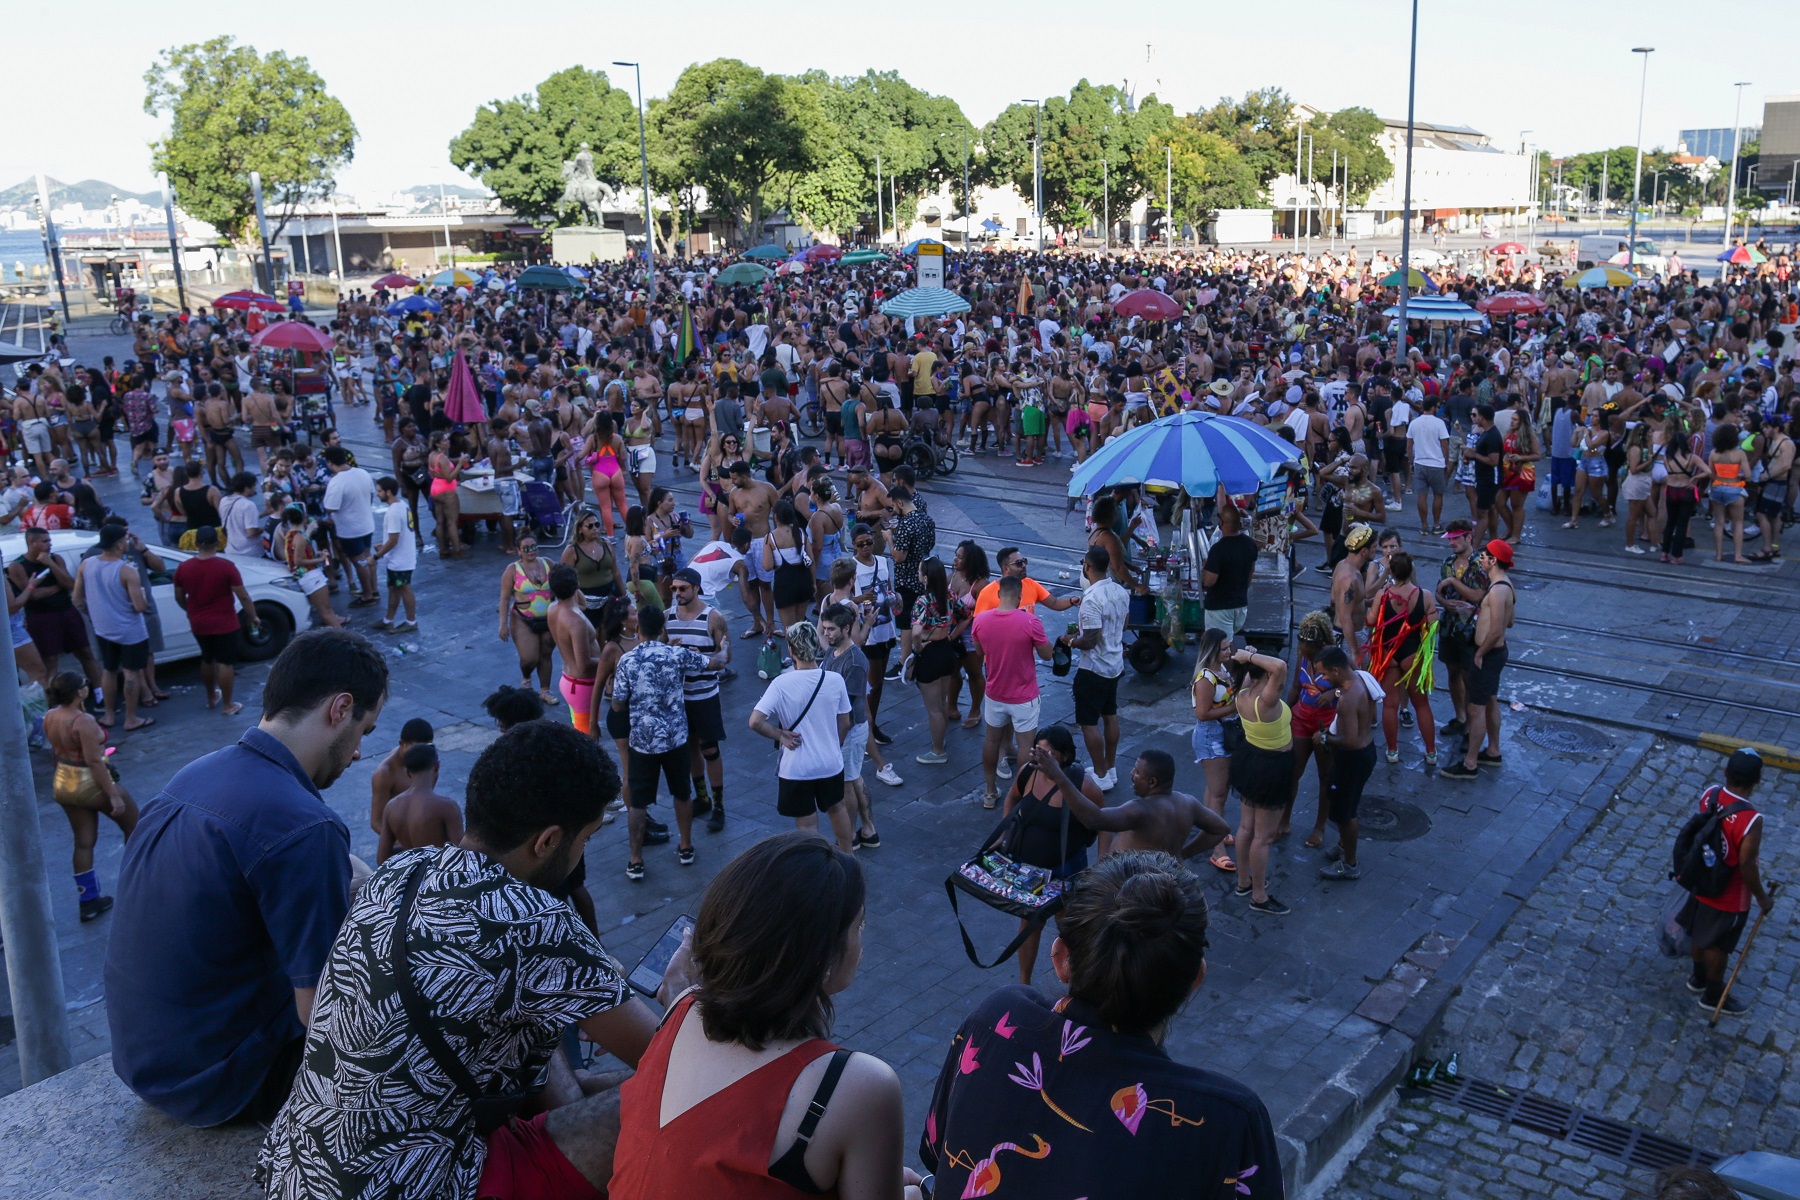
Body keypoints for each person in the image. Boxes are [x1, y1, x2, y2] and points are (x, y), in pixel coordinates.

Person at [259, 721, 664, 1200]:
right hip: (411, 1186)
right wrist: (679, 990)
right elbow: (666, 1059)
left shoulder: (400, 871)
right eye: (586, 840)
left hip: (298, 1170)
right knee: (667, 1098)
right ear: (548, 841)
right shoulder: (536, 921)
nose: (582, 853)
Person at [107, 630, 388, 1126]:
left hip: (147, 1063)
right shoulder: (305, 826)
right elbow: (321, 1015)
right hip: (222, 1082)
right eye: (364, 731)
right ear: (340, 708)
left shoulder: (195, 774)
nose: (358, 753)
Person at [922, 852, 1281, 1199]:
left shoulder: (997, 1022)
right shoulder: (1229, 1120)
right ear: (1195, 981)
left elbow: (936, 1152)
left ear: (1061, 958)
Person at [609, 832, 918, 1200]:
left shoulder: (680, 1008)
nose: (863, 939)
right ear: (820, 958)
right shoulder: (859, 1086)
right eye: (859, 925)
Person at [613, 604, 726, 881]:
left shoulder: (627, 660)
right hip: (675, 739)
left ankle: (636, 859)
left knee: (638, 803)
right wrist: (723, 647)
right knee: (682, 793)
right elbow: (717, 663)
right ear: (661, 629)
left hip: (643, 741)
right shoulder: (677, 654)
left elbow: (617, 704)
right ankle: (686, 846)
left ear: (637, 629)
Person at [1676, 748, 1774, 1018]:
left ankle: (1697, 977)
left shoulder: (1710, 794)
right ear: (1757, 780)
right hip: (1728, 896)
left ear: (1726, 772)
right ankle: (1712, 994)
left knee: (1699, 932)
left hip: (1702, 880)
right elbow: (1746, 864)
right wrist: (1762, 897)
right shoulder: (1751, 820)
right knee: (1717, 946)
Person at [41, 671, 140, 921]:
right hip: (90, 781)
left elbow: (56, 751)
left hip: (64, 780)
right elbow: (94, 761)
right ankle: (138, 884)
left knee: (83, 842)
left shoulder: (51, 715)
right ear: (79, 691)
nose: (87, 686)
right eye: (85, 684)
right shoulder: (82, 720)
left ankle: (88, 901)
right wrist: (113, 795)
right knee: (135, 827)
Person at [749, 621, 854, 850]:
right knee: (838, 808)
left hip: (797, 767)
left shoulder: (780, 684)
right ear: (816, 645)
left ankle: (815, 863)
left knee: (807, 826)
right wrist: (833, 745)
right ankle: (848, 855)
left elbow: (755, 721)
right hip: (830, 763)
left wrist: (780, 735)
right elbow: (845, 722)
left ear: (791, 649)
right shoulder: (834, 680)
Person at [972, 575, 1052, 809]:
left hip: (995, 692)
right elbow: (1047, 655)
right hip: (1024, 695)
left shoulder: (981, 620)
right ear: (1019, 596)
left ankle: (989, 791)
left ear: (998, 595)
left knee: (991, 740)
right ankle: (1022, 792)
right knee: (1026, 746)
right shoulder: (1030, 622)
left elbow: (979, 651)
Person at [1441, 539, 1515, 780]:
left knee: (1476, 708)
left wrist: (1480, 653)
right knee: (1490, 701)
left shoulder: (1497, 590)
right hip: (1496, 653)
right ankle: (1493, 751)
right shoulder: (1505, 585)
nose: (1481, 560)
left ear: (1494, 561)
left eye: (1484, 557)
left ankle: (1470, 763)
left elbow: (1497, 630)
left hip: (1488, 654)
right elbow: (1510, 621)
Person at [666, 567, 732, 829]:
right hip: (679, 697)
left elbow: (726, 656)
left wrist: (701, 658)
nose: (677, 593)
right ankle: (702, 797)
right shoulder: (667, 618)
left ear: (696, 588)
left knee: (710, 749)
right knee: (690, 747)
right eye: (674, 588)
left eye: (682, 588)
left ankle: (719, 805)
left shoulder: (713, 618)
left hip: (704, 696)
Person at [1229, 646, 1293, 916]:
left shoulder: (1244, 692)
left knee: (1246, 826)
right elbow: (1280, 667)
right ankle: (1259, 896)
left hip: (1250, 761)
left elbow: (1260, 670)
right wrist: (1250, 657)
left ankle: (1244, 881)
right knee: (1263, 837)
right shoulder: (1267, 700)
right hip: (1272, 768)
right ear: (1266, 674)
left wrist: (1248, 659)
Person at [72, 524, 153, 733]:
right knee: (131, 673)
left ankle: (108, 714)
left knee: (109, 670)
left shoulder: (87, 564)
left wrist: (94, 615)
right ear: (119, 544)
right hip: (130, 631)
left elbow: (77, 599)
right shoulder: (127, 571)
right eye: (125, 539)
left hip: (103, 629)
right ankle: (131, 718)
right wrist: (143, 596)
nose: (128, 543)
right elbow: (139, 606)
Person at [173, 526, 261, 716]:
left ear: (196, 543)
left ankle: (211, 696)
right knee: (225, 662)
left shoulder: (183, 568)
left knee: (207, 657)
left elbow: (179, 596)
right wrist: (253, 616)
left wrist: (189, 610)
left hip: (199, 622)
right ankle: (228, 704)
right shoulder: (226, 567)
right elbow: (243, 596)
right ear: (217, 542)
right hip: (224, 622)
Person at [1062, 545, 1129, 790]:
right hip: (1114, 665)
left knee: (1088, 723)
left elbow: (1089, 640)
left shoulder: (1091, 599)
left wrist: (1070, 640)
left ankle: (1100, 775)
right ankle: (1110, 768)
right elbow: (1124, 625)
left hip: (1093, 669)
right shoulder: (1121, 591)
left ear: (1087, 567)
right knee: (1110, 715)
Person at [819, 602, 881, 848]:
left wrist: (835, 740)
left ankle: (851, 835)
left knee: (845, 784)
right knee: (854, 777)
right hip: (847, 729)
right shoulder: (833, 651)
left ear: (846, 629)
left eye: (831, 629)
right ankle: (869, 830)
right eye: (824, 628)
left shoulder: (854, 662)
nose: (826, 634)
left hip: (848, 731)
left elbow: (848, 711)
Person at [1312, 647, 1377, 881]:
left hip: (1353, 759)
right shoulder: (1360, 678)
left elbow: (1350, 740)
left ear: (1336, 670)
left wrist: (1323, 738)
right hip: (1365, 753)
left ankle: (1350, 864)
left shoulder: (1348, 699)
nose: (1323, 679)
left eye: (1324, 674)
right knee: (1347, 805)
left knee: (1345, 813)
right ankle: (1343, 845)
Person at [1189, 628, 1239, 873]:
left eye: (1229, 647)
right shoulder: (1205, 678)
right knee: (1219, 793)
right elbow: (1202, 713)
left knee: (1215, 788)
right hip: (1211, 736)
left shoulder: (1222, 670)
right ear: (1212, 650)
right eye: (1224, 648)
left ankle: (1212, 828)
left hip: (1221, 734)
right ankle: (1217, 849)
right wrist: (1234, 707)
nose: (1229, 651)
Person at [374, 744, 463, 862]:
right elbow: (463, 856)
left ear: (408, 772)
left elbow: (382, 859)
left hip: (412, 871)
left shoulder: (391, 807)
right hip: (439, 871)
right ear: (436, 766)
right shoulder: (447, 807)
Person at [498, 536, 557, 702]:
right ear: (519, 551)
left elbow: (561, 584)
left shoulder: (548, 563)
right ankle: (526, 677)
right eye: (526, 548)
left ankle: (545, 690)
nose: (531, 551)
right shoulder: (512, 570)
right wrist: (503, 624)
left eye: (533, 546)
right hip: (522, 619)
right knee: (529, 658)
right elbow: (504, 599)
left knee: (546, 654)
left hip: (548, 618)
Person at [322, 445, 380, 606]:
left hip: (349, 529)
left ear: (330, 463)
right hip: (366, 524)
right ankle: (374, 589)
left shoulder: (336, 482)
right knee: (368, 557)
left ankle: (367, 595)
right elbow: (371, 495)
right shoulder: (363, 473)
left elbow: (331, 507)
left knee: (359, 562)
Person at [370, 476, 419, 632]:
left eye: (379, 491)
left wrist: (376, 556)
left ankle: (411, 622)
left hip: (400, 561)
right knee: (393, 588)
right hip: (400, 557)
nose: (377, 494)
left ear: (388, 492)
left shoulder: (393, 513)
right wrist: (384, 546)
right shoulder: (402, 505)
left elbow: (393, 540)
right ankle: (388, 619)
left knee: (404, 588)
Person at [370, 717, 435, 835]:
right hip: (399, 834)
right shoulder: (385, 773)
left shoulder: (428, 759)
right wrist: (402, 842)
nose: (419, 755)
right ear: (402, 744)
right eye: (415, 749)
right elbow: (376, 822)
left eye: (424, 749)